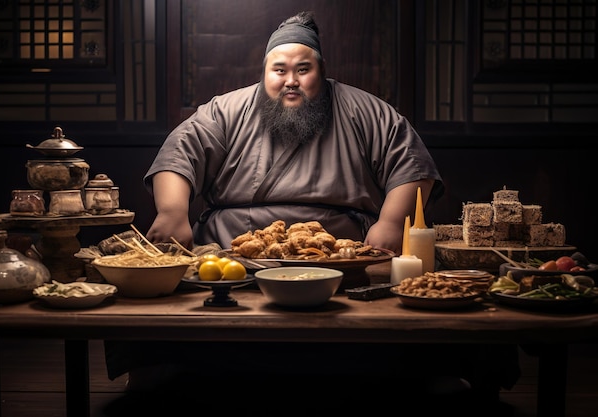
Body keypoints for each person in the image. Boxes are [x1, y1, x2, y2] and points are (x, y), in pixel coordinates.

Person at [103, 11, 518, 413]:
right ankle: (156, 363)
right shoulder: (225, 110)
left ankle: (431, 366)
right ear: (264, 72)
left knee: (424, 297)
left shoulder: (364, 109)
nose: (290, 81)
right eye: (279, 70)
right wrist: (174, 212)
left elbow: (409, 164)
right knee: (159, 287)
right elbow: (180, 154)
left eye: (303, 69)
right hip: (233, 257)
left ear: (321, 70)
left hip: (343, 258)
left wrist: (390, 222)